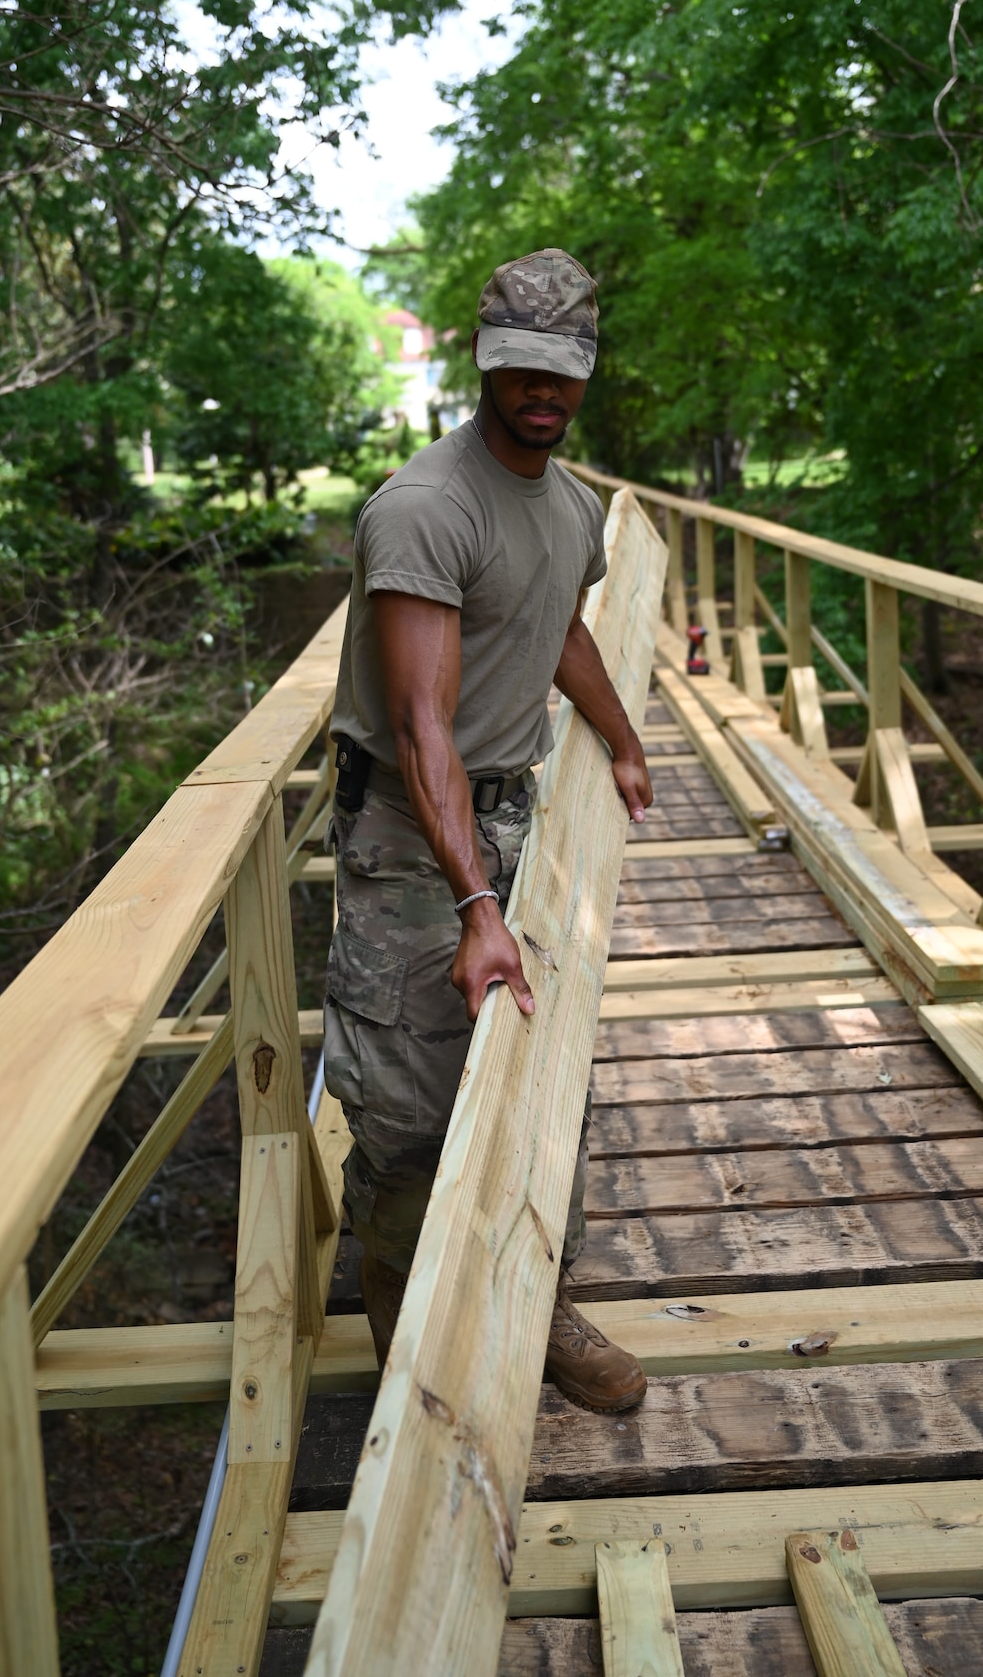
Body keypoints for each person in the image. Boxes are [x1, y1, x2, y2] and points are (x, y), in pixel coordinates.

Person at [322, 248, 653, 1413]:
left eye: (561, 368)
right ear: (483, 359)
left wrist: (619, 738)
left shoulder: (570, 507)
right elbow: (422, 727)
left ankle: (536, 1307)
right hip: (411, 840)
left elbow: (555, 627)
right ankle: (414, 1366)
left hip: (518, 820)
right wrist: (473, 905)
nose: (540, 390)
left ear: (587, 366)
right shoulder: (425, 507)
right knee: (408, 1111)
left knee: (534, 1081)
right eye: (519, 367)